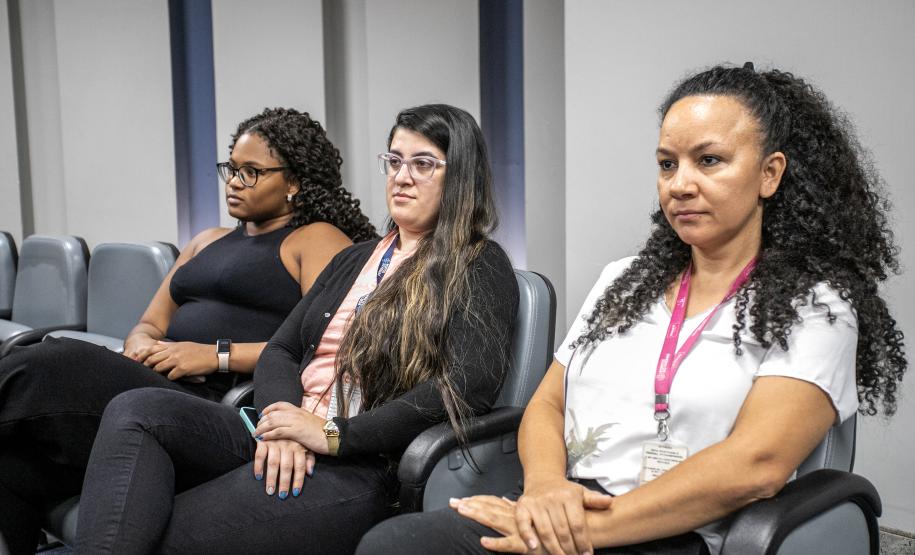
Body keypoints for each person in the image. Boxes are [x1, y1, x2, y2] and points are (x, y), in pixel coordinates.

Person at [358, 65, 908, 555]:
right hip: (566, 507)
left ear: (770, 173)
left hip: (681, 532)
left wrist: (583, 529)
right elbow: (547, 404)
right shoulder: (624, 279)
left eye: (709, 160)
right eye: (668, 164)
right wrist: (544, 489)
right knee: (393, 544)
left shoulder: (815, 304)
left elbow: (756, 465)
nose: (681, 184)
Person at [73, 104, 520, 554]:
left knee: (160, 533)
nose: (402, 177)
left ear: (460, 176)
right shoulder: (355, 258)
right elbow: (282, 349)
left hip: (358, 461)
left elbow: (464, 387)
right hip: (285, 432)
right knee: (136, 409)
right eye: (394, 161)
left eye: (422, 164)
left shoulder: (479, 264)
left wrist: (331, 435)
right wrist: (284, 421)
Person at [0, 107, 377, 554]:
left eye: (252, 172)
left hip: (214, 400)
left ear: (293, 182)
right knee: (13, 462)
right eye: (231, 169)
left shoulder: (315, 238)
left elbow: (321, 347)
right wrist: (141, 343)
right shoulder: (206, 240)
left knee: (51, 359)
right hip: (153, 377)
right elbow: (150, 322)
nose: (234, 182)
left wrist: (214, 355)